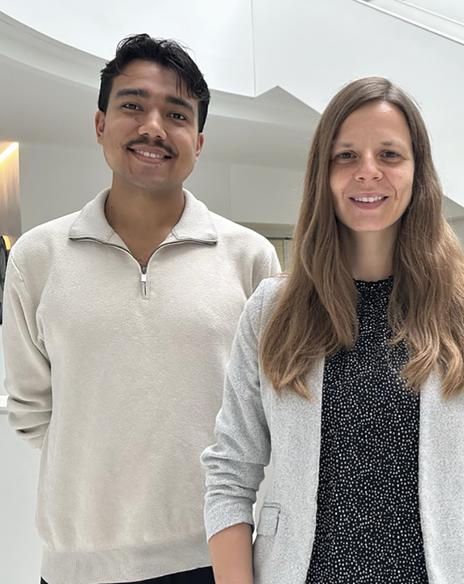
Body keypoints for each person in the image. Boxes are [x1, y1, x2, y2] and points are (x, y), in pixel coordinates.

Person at [201, 76, 464, 584]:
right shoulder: (273, 309)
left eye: (390, 155)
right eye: (346, 156)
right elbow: (229, 473)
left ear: (418, 172)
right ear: (323, 174)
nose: (368, 172)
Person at [2, 34, 279, 584]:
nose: (153, 126)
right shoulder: (38, 256)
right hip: (77, 568)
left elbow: (270, 413)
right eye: (133, 105)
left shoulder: (250, 257)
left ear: (198, 141)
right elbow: (33, 411)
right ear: (101, 123)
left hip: (214, 560)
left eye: (176, 113)